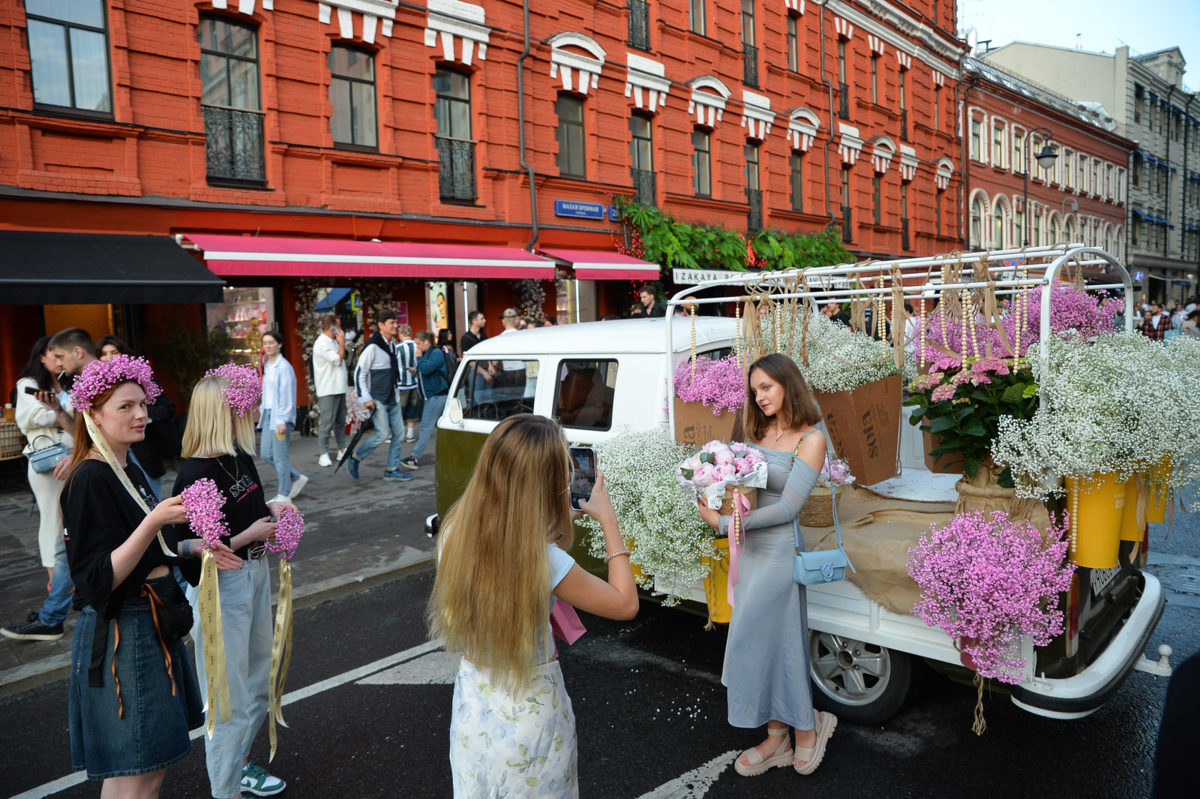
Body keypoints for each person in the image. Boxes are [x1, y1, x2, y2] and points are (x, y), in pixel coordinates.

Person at [427, 414, 638, 796]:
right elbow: (625, 604)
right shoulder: (545, 560)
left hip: (474, 710)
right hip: (533, 721)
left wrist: (552, 524)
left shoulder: (455, 528)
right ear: (545, 483)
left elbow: (507, 543)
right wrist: (608, 520)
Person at [60, 355, 204, 795]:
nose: (141, 414)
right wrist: (155, 520)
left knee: (147, 768)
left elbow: (145, 554)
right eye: (125, 406)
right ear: (93, 414)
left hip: (151, 621)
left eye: (142, 403)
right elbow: (95, 578)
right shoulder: (90, 477)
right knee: (136, 771)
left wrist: (191, 547)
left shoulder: (126, 468)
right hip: (126, 630)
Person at [695, 353, 836, 778]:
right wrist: (705, 488)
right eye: (754, 390)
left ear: (788, 385)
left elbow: (790, 507)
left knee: (782, 641)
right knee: (754, 640)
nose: (759, 397)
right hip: (749, 548)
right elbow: (727, 478)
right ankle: (777, 734)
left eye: (767, 387)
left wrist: (725, 524)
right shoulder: (753, 429)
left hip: (776, 549)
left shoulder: (810, 438)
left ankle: (809, 728)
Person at [171, 372, 288, 799]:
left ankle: (238, 767)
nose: (254, 411)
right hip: (224, 587)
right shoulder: (196, 472)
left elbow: (247, 514)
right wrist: (250, 536)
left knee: (259, 684)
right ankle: (225, 790)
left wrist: (271, 514)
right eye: (246, 404)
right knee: (228, 699)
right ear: (226, 412)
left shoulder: (238, 456)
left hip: (254, 574)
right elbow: (184, 549)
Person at [1, 337, 76, 642]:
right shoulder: (27, 384)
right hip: (48, 463)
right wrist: (61, 412)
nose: (60, 360)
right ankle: (53, 584)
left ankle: (62, 593)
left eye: (63, 355)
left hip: (75, 459)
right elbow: (26, 418)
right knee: (53, 523)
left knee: (71, 525)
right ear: (41, 357)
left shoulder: (66, 383)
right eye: (54, 355)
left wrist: (60, 408)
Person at [97, 335, 179, 501]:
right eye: (104, 354)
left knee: (150, 500)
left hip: (145, 449)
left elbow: (168, 407)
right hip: (111, 452)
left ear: (124, 354)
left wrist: (143, 414)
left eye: (114, 352)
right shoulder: (97, 388)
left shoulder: (143, 381)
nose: (110, 357)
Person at [346, 310, 410, 482]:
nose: (396, 325)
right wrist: (365, 398)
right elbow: (360, 373)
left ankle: (391, 469)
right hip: (378, 398)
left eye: (396, 322)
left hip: (393, 397)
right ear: (381, 325)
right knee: (383, 434)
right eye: (391, 322)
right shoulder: (373, 346)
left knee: (400, 433)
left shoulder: (392, 345)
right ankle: (356, 457)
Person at [258, 330, 307, 503]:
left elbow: (287, 395)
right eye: (265, 343)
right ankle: (296, 477)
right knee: (265, 454)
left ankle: (284, 494)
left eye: (271, 342)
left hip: (280, 417)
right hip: (269, 414)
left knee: (280, 457)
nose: (268, 346)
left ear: (279, 344)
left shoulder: (284, 367)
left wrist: (283, 420)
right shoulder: (269, 365)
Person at [399, 330, 451, 472]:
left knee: (425, 427)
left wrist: (419, 359)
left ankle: (414, 458)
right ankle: (449, 454)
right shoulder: (430, 353)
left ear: (427, 342)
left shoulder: (436, 353)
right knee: (439, 427)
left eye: (418, 344)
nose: (417, 348)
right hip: (434, 395)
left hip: (437, 396)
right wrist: (416, 370)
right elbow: (426, 370)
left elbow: (427, 369)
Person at [312, 314, 348, 468]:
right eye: (338, 326)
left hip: (339, 386)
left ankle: (342, 449)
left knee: (340, 420)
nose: (340, 330)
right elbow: (337, 360)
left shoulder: (333, 341)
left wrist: (340, 344)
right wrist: (342, 343)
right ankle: (323, 453)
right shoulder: (321, 343)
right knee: (326, 422)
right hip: (328, 388)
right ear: (332, 327)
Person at [396, 324, 422, 448]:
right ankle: (410, 434)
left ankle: (400, 434)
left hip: (402, 383)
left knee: (400, 410)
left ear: (400, 334)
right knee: (413, 408)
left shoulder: (398, 348)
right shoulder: (417, 346)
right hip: (415, 382)